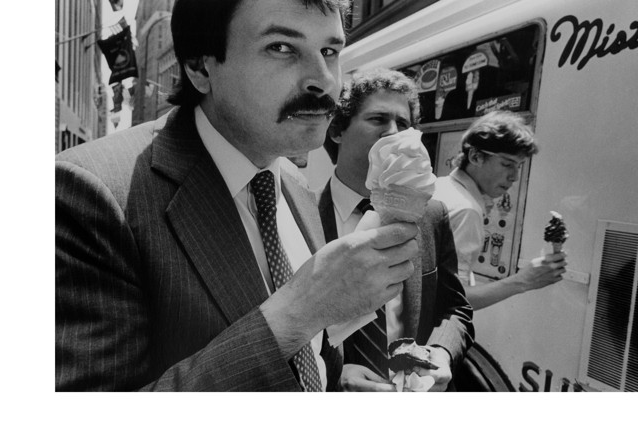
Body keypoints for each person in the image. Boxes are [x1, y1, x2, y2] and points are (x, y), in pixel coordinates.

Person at [56, 0, 420, 391]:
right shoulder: (90, 192)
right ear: (200, 67)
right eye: (282, 47)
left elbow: (307, 353)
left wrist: (334, 375)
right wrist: (301, 311)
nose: (324, 80)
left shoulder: (296, 187)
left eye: (330, 51)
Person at [319, 68, 473, 391]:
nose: (394, 133)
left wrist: (442, 353)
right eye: (378, 119)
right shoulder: (299, 215)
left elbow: (456, 309)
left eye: (403, 124)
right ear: (337, 131)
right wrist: (332, 373)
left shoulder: (431, 215)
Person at [434, 110, 566, 310]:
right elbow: (449, 300)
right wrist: (524, 280)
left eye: (519, 166)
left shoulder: (441, 186)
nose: (514, 176)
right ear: (476, 156)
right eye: (507, 164)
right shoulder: (466, 210)